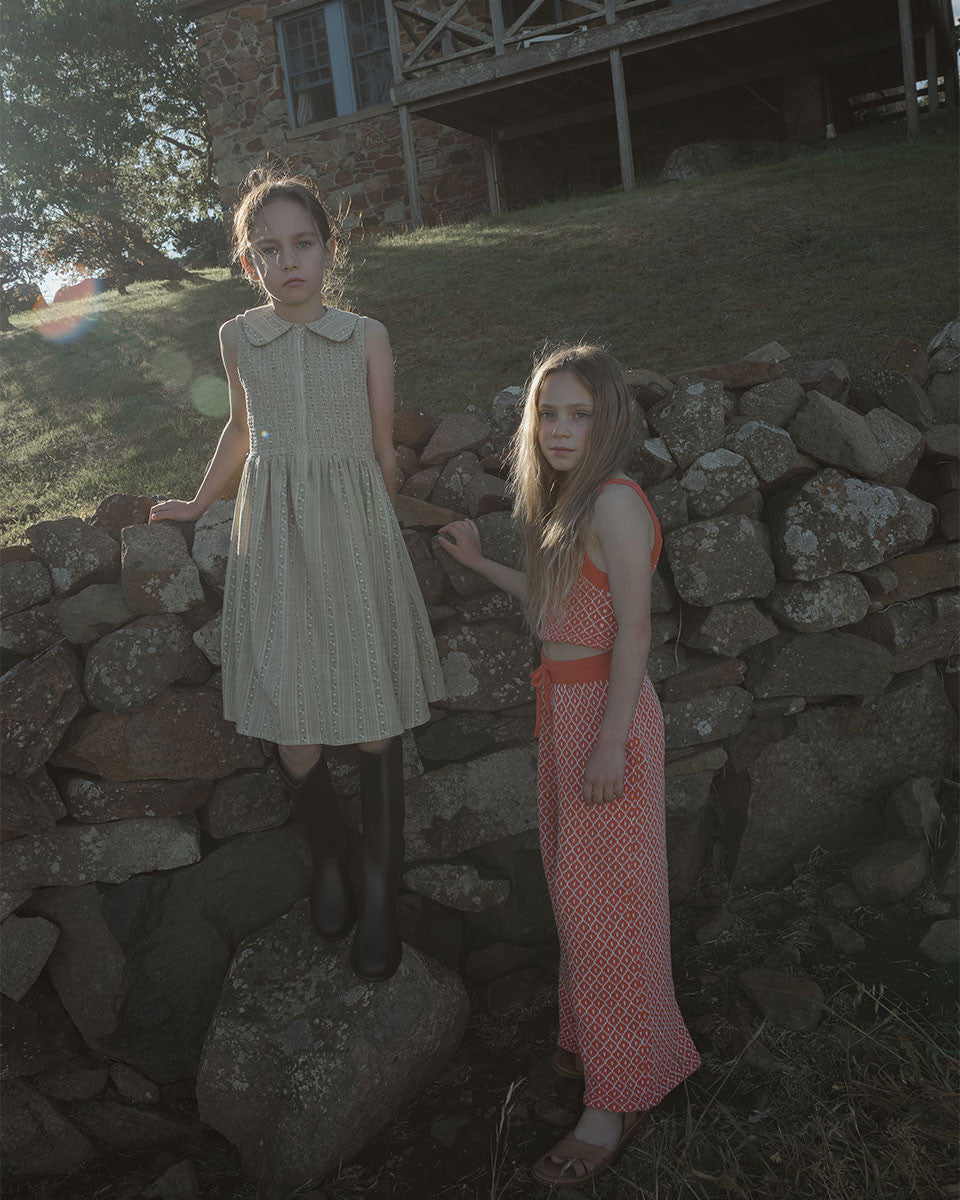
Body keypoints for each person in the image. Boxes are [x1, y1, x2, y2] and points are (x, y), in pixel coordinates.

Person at [149, 168, 444, 982]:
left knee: (376, 717)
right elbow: (241, 429)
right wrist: (197, 501)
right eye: (269, 250)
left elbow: (382, 451)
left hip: (353, 528)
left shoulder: (367, 336)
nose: (289, 261)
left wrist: (379, 531)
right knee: (294, 723)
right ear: (251, 263)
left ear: (328, 249)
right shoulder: (238, 337)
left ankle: (379, 893)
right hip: (275, 533)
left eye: (303, 244)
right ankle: (329, 856)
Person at [438, 344, 700, 1187]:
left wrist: (612, 741)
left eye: (578, 414)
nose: (559, 428)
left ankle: (616, 1100)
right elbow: (559, 606)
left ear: (608, 419)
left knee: (610, 908)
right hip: (566, 711)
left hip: (604, 720)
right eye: (548, 413)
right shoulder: (569, 503)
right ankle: (606, 1045)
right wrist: (479, 564)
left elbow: (635, 631)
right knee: (581, 897)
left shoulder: (616, 501)